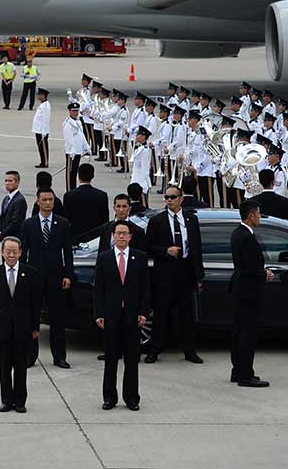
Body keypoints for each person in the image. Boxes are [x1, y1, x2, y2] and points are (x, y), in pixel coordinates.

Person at [94, 220, 151, 411]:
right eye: (117, 233)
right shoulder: (104, 258)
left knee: (132, 360)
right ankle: (109, 397)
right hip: (111, 316)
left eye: (124, 233)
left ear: (130, 237)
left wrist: (144, 312)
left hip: (132, 317)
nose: (121, 236)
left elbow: (145, 288)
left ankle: (132, 398)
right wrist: (99, 313)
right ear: (112, 236)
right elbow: (99, 289)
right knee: (111, 360)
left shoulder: (139, 257)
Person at [145, 185, 205, 364]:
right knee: (161, 314)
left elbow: (197, 248)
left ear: (181, 199)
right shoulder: (157, 221)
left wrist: (198, 276)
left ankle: (189, 350)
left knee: (187, 314)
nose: (169, 200)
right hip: (165, 273)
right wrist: (165, 251)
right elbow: (148, 247)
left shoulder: (191, 219)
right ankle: (154, 350)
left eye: (172, 197)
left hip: (185, 271)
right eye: (167, 197)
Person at [0, 236, 40, 414]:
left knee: (21, 367)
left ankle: (20, 401)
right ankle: (6, 401)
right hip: (1, 328)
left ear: (20, 253)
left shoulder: (30, 273)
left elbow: (35, 303)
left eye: (14, 252)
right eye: (7, 251)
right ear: (2, 252)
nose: (11, 255)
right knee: (4, 366)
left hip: (23, 328)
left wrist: (35, 327)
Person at [19, 188, 74, 368]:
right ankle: (30, 355)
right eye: (44, 200)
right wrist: (22, 275)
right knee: (31, 317)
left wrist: (68, 274)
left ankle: (59, 356)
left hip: (56, 277)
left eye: (50, 199)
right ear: (38, 201)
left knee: (57, 319)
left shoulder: (63, 223)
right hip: (33, 277)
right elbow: (23, 252)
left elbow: (67, 252)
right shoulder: (29, 224)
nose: (48, 203)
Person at [230, 200, 274, 387]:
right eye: (258, 213)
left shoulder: (237, 233)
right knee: (247, 333)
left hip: (241, 290)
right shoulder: (246, 237)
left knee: (239, 332)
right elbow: (250, 267)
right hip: (248, 291)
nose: (260, 216)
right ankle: (245, 374)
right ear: (250, 216)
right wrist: (265, 273)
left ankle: (237, 370)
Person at [62, 163, 110, 243]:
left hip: (75, 238)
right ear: (93, 176)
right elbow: (105, 220)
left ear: (78, 176)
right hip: (95, 239)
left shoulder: (69, 196)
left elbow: (65, 220)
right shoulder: (102, 195)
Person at [63, 102, 90, 191]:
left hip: (78, 151)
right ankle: (69, 189)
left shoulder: (78, 121)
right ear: (69, 111)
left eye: (77, 111)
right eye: (73, 111)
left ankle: (73, 189)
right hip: (71, 153)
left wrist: (86, 146)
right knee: (70, 173)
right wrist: (72, 151)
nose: (75, 113)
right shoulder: (67, 123)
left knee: (74, 172)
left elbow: (81, 135)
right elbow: (68, 139)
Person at [0, 171, 27, 244]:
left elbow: (16, 222)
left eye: (10, 181)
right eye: (6, 181)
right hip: (5, 239)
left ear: (17, 182)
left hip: (14, 238)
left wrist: (2, 234)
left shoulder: (20, 200)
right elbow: (2, 217)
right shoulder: (6, 198)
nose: (7, 183)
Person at [31, 89, 51, 167]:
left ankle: (45, 162)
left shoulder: (45, 105)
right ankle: (42, 161)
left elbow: (46, 119)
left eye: (39, 94)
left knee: (43, 148)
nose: (37, 96)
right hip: (38, 130)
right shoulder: (42, 105)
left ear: (43, 96)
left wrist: (44, 132)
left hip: (42, 131)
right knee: (40, 148)